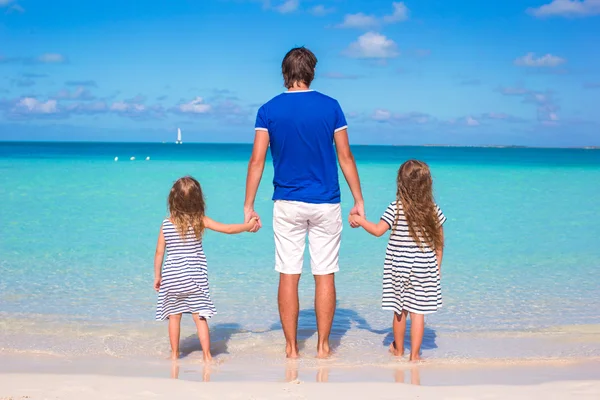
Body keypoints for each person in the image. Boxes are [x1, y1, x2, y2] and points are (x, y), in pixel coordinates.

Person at [243, 46, 365, 359]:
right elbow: (345, 156)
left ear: (285, 74)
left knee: (288, 273)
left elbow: (257, 161)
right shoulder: (331, 107)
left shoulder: (268, 110)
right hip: (326, 201)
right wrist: (358, 199)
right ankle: (324, 348)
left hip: (287, 202)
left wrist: (249, 204)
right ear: (311, 73)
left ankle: (291, 348)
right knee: (325, 273)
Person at [349, 160, 446, 362]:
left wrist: (360, 221)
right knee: (418, 312)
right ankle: (415, 355)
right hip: (424, 267)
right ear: (427, 184)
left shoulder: (396, 208)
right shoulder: (433, 210)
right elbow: (439, 242)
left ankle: (399, 349)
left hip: (399, 266)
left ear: (400, 183)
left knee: (399, 309)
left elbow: (377, 231)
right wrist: (437, 266)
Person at [154, 176, 258, 361]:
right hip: (194, 277)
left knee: (174, 316)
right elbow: (227, 229)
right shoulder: (200, 220)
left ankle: (174, 354)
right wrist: (248, 226)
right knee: (200, 317)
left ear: (173, 200)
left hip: (172, 277)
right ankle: (207, 356)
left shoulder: (166, 224)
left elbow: (159, 253)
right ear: (198, 199)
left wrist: (157, 276)